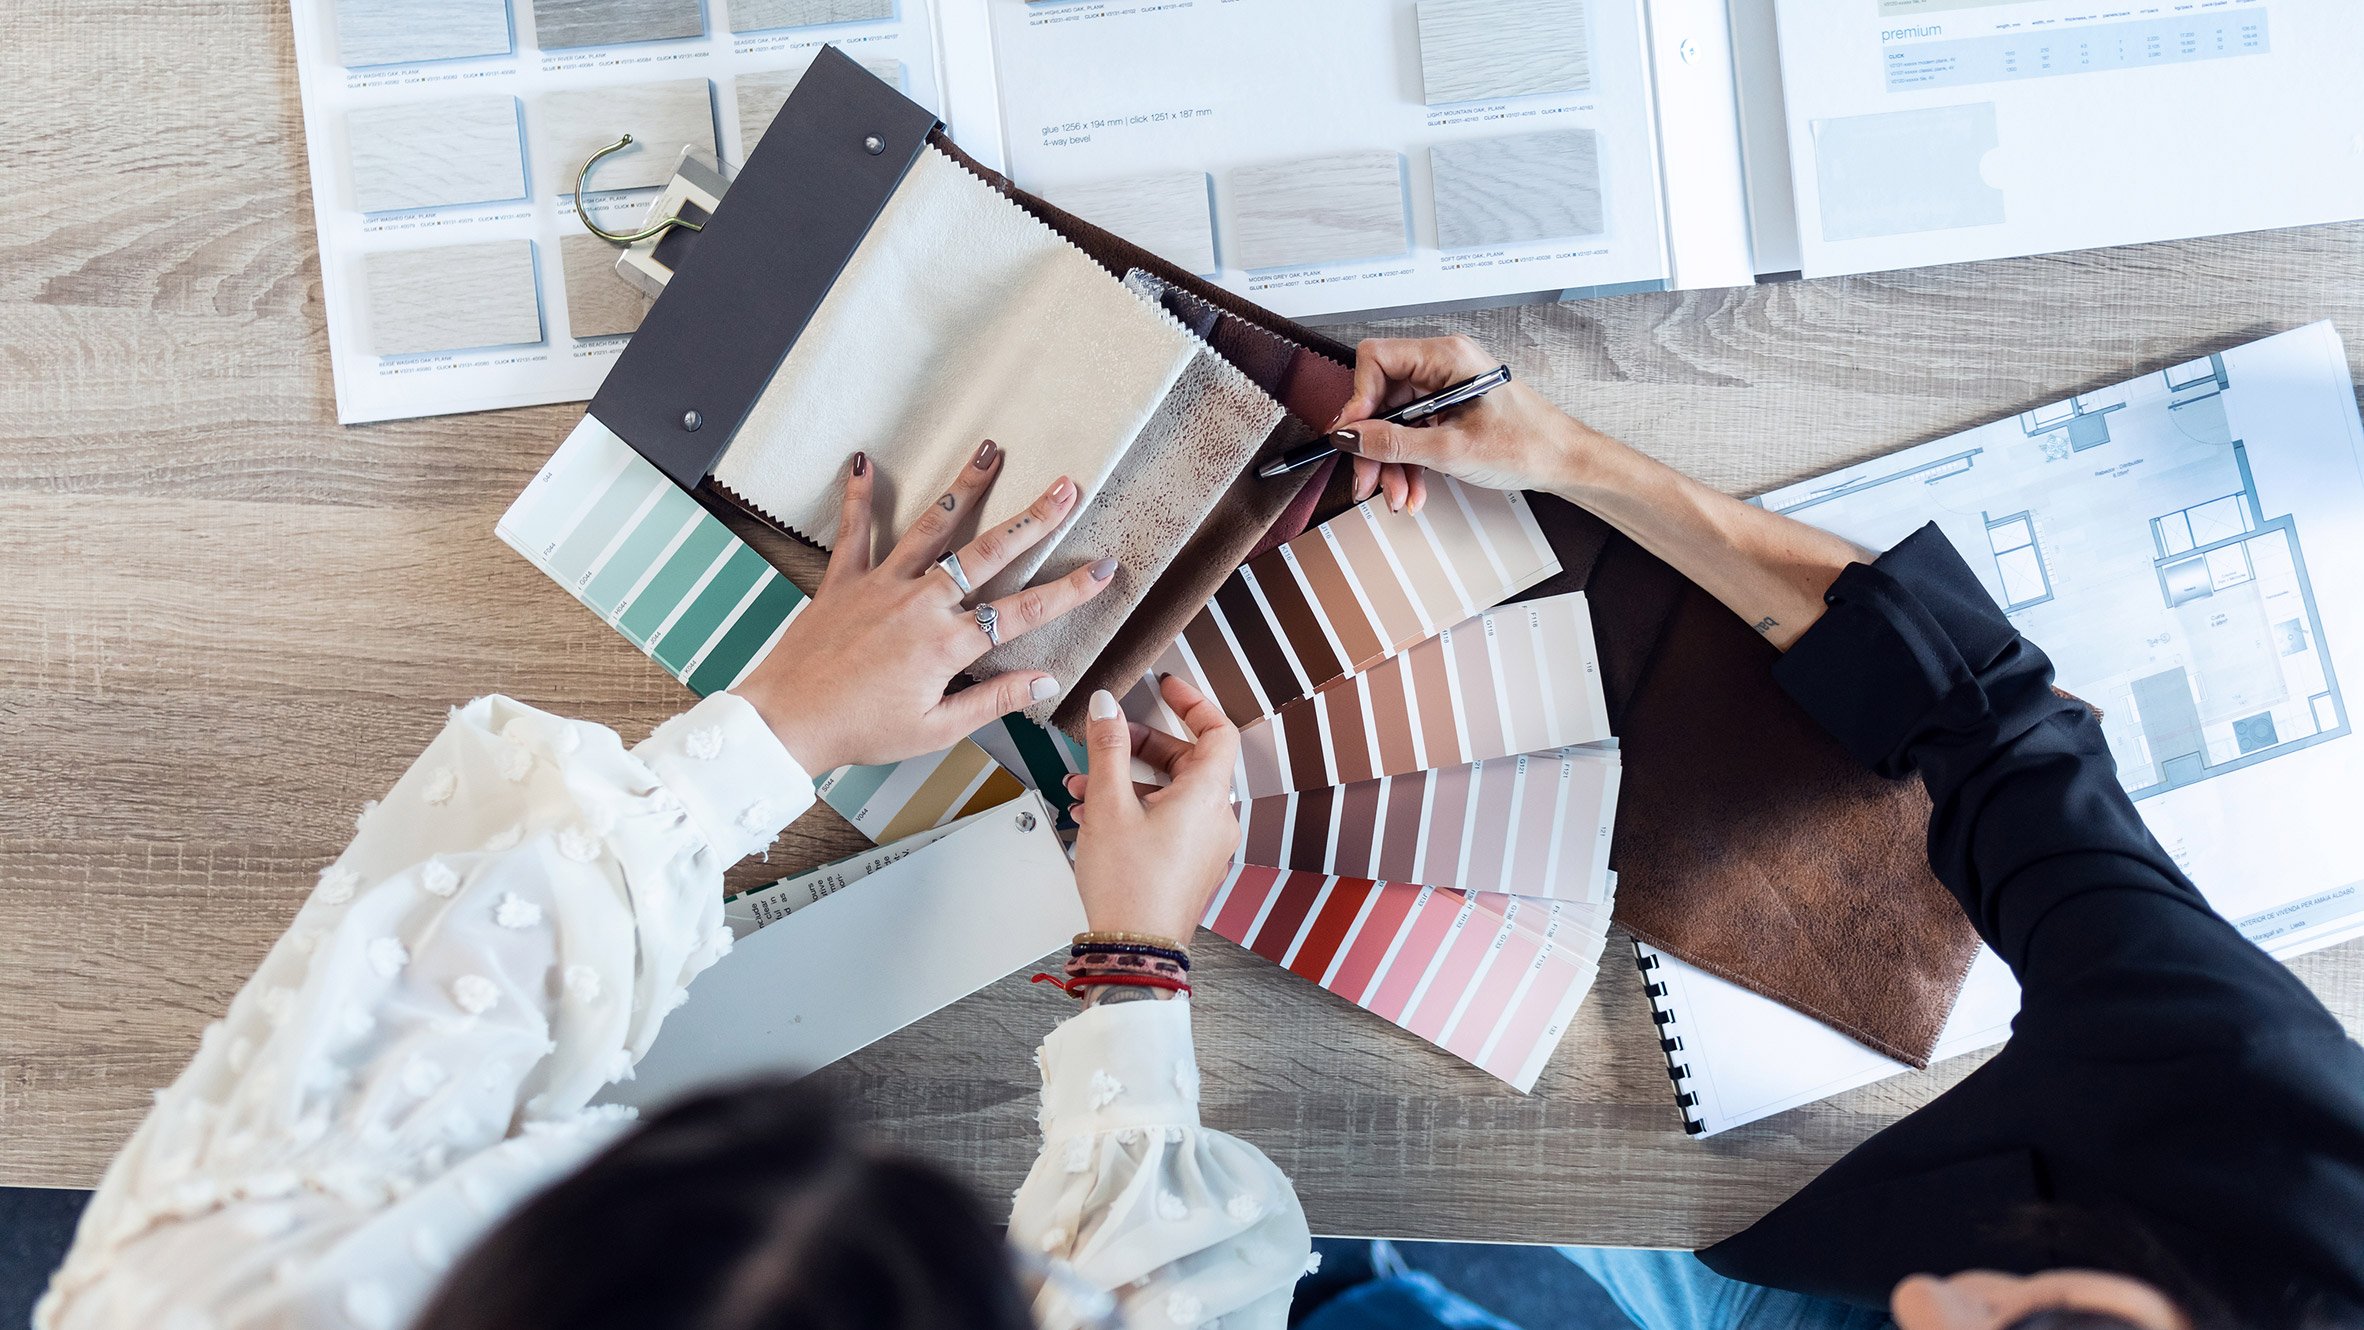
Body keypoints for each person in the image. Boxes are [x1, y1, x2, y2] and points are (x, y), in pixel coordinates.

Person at [34, 441, 1311, 1330]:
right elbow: (1178, 1292)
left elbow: (458, 956)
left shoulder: (209, 1291)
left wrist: (782, 721)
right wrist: (1136, 955)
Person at [1331, 335, 2364, 1330]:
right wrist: (1565, 457)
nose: (1922, 1308)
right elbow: (1992, 719)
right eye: (2013, 1311)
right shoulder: (2248, 1092)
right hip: (1833, 1231)